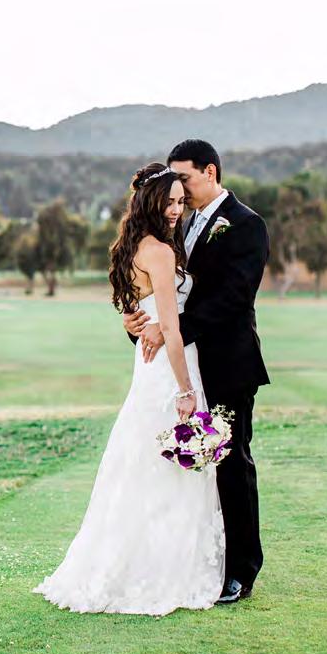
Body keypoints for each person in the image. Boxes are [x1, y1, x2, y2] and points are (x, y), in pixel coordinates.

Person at [32, 161, 224, 616]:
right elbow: (171, 329)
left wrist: (137, 325)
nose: (176, 209)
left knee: (144, 461)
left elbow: (140, 314)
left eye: (181, 201)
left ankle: (132, 563)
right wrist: (185, 390)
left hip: (148, 367)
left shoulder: (134, 247)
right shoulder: (160, 252)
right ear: (151, 202)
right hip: (170, 368)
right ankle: (162, 571)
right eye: (170, 202)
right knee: (169, 466)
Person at [124, 139, 270, 604]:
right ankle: (193, 562)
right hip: (181, 367)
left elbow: (234, 299)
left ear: (210, 172)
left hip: (228, 364)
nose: (179, 190)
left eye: (184, 178)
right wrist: (139, 326)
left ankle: (241, 571)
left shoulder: (247, 225)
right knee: (186, 469)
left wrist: (171, 331)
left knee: (231, 464)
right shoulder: (179, 226)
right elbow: (162, 296)